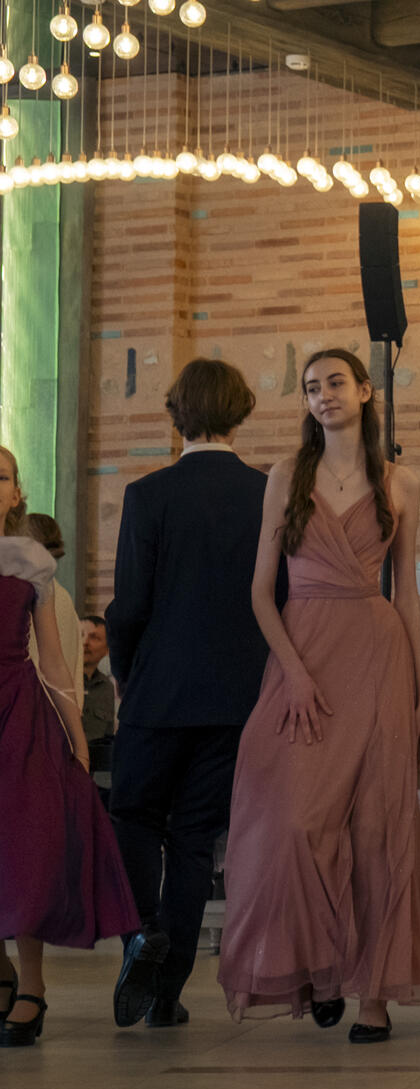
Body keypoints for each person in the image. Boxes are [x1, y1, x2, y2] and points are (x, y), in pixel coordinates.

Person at [216, 349, 420, 1042]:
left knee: (377, 832)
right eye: (310, 388)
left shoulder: (401, 481)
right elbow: (260, 592)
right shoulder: (286, 475)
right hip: (304, 660)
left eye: (334, 383)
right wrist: (292, 671)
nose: (322, 395)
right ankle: (320, 966)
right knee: (294, 823)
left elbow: (405, 596)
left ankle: (373, 995)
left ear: (366, 391)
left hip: (380, 658)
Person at [105, 359, 273, 1030]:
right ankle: (166, 992)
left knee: (135, 818)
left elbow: (129, 604)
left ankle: (140, 935)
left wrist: (124, 674)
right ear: (241, 410)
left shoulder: (148, 495)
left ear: (176, 412)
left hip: (157, 690)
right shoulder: (267, 493)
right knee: (196, 838)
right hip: (237, 696)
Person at [1, 445, 140, 1048]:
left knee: (26, 848)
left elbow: (54, 661)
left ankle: (31, 985)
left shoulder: (29, 560)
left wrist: (78, 737)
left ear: (16, 493)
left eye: (1, 476)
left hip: (18, 712)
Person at [23, 513, 83, 715]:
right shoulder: (63, 597)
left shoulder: (27, 595)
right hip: (61, 716)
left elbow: (50, 664)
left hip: (30, 714)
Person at [78, 615, 115, 801]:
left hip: (90, 780)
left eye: (94, 637)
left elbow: (106, 734)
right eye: (80, 635)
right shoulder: (58, 682)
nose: (85, 642)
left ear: (107, 649)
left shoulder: (107, 687)